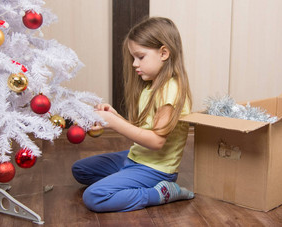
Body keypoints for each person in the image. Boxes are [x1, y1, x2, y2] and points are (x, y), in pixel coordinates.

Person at [72, 17, 194, 212]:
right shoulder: (150, 87)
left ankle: (161, 192)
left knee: (94, 196)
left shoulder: (171, 91)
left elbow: (156, 142)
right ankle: (128, 180)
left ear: (164, 53)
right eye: (133, 58)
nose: (134, 64)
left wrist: (114, 123)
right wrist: (115, 117)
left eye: (140, 57)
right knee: (80, 170)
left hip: (156, 169)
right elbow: (143, 130)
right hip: (136, 158)